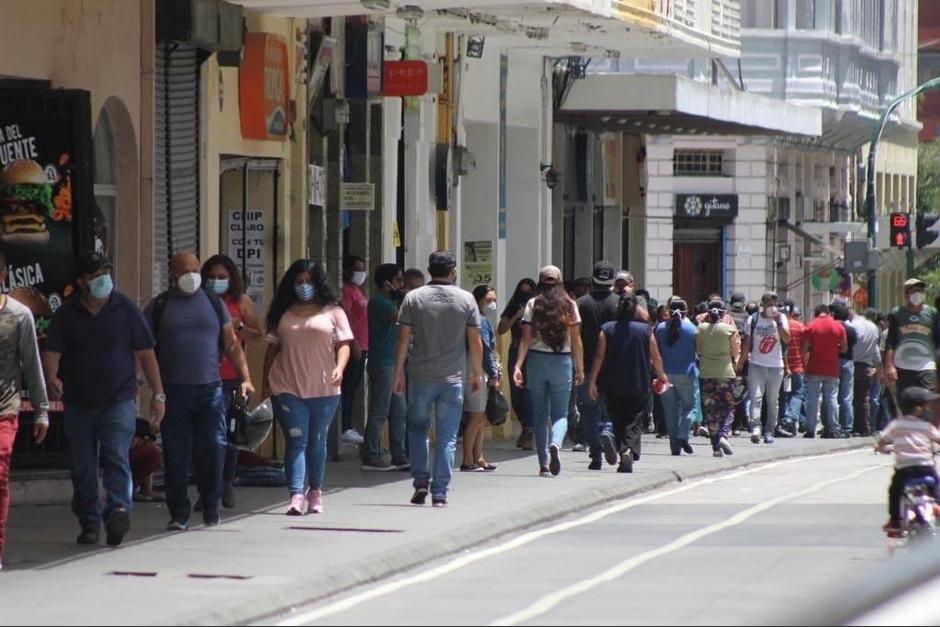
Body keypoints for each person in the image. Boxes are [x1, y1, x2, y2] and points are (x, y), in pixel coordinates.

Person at [44, 254, 165, 547]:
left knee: (116, 457)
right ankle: (89, 521)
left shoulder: (125, 309)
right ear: (82, 280)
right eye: (96, 274)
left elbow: (146, 352)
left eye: (107, 272)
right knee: (83, 466)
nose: (103, 279)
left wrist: (158, 394)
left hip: (118, 400)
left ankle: (118, 511)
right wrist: (52, 377)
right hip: (78, 403)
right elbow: (52, 353)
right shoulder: (67, 314)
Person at [145, 252, 255, 531]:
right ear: (172, 273)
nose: (193, 276)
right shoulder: (159, 306)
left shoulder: (213, 302)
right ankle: (179, 512)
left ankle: (210, 505)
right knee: (176, 453)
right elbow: (143, 349)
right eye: (186, 271)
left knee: (214, 450)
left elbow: (231, 344)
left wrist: (245, 378)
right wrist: (152, 388)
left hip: (211, 390)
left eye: (196, 270)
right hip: (174, 391)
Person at [262, 260, 352, 515]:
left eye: (309, 281)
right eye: (298, 281)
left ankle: (315, 492)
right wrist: (264, 384)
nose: (304, 286)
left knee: (317, 442)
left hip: (324, 388)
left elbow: (344, 344)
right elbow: (272, 350)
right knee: (296, 441)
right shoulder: (282, 313)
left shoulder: (333, 312)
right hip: (286, 386)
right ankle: (295, 495)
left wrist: (339, 368)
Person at [394, 251, 483, 507]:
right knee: (446, 437)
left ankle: (421, 481)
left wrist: (398, 371)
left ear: (430, 269)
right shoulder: (466, 299)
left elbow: (403, 339)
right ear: (453, 270)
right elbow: (475, 342)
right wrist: (476, 373)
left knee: (418, 429)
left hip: (420, 376)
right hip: (452, 379)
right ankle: (440, 491)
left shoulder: (413, 298)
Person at [0, 248, 49, 570]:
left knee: (0, 473)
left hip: (4, 408)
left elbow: (32, 364)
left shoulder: (19, 315)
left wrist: (42, 408)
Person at [201, 255, 263, 508]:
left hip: (232, 378)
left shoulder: (241, 302)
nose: (217, 282)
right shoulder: (200, 301)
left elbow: (258, 334)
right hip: (204, 376)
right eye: (212, 277)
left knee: (230, 435)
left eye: (222, 277)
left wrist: (238, 328)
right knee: (206, 437)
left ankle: (226, 482)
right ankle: (208, 488)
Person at [513, 265, 584, 478]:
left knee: (540, 414)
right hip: (561, 362)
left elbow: (525, 339)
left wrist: (518, 366)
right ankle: (556, 443)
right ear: (560, 282)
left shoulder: (532, 304)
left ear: (540, 282)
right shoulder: (570, 304)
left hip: (536, 360)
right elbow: (576, 340)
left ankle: (543, 463)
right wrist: (580, 367)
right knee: (560, 413)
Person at [589, 294, 666, 472]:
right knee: (634, 419)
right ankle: (627, 450)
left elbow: (599, 356)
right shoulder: (646, 330)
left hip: (612, 381)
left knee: (617, 417)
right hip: (638, 381)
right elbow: (655, 356)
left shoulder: (607, 329)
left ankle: (620, 446)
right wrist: (662, 375)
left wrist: (592, 381)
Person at [362, 264, 409, 472]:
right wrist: (403, 297)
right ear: (386, 283)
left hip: (394, 362)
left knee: (399, 411)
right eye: (398, 280)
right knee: (380, 410)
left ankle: (399, 454)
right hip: (382, 362)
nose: (401, 284)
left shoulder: (390, 302)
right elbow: (401, 318)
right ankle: (371, 453)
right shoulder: (379, 303)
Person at [876, 387, 940, 536]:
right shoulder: (926, 426)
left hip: (904, 468)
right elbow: (937, 439)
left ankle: (895, 520)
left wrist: (880, 447)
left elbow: (883, 439)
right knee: (936, 482)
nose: (929, 408)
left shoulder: (897, 424)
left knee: (895, 490)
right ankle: (937, 503)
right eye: (926, 405)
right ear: (919, 409)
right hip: (925, 465)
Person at [576, 261, 620, 470]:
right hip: (613, 365)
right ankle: (608, 432)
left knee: (589, 410)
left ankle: (595, 454)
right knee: (611, 408)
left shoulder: (581, 303)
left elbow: (574, 335)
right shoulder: (619, 303)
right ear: (612, 281)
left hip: (585, 364)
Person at [741, 292, 790, 445]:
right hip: (756, 364)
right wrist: (741, 362)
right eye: (769, 304)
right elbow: (747, 343)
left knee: (772, 400)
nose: (772, 307)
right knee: (756, 398)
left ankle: (769, 430)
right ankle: (756, 428)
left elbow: (787, 338)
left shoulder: (781, 318)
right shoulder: (753, 319)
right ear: (763, 304)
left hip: (776, 366)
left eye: (775, 304)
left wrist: (778, 322)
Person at [461, 285, 501, 472]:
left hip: (472, 369)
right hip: (477, 371)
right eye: (488, 300)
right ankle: (468, 458)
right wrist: (493, 373)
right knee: (477, 416)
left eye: (494, 300)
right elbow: (485, 349)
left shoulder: (476, 319)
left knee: (480, 416)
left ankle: (479, 457)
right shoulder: (480, 321)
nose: (492, 304)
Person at [697, 299, 742, 458]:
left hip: (706, 373)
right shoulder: (729, 329)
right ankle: (723, 434)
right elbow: (736, 352)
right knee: (728, 406)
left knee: (711, 410)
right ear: (723, 314)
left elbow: (699, 350)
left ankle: (715, 445)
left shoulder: (701, 328)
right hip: (725, 373)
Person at [498, 278, 537, 450]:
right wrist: (516, 316)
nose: (525, 295)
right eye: (523, 291)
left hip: (533, 352)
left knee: (528, 391)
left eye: (529, 291)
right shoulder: (514, 306)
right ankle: (525, 427)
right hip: (515, 350)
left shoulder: (538, 307)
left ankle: (529, 430)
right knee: (516, 391)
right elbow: (501, 328)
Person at [655, 298, 698, 456]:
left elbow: (656, 351)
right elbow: (697, 351)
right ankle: (683, 434)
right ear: (686, 312)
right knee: (690, 406)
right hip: (686, 373)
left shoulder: (659, 328)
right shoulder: (692, 329)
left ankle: (674, 446)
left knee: (670, 412)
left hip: (665, 375)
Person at [884, 278, 940, 398]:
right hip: (903, 367)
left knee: (929, 402)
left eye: (920, 290)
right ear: (906, 294)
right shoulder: (897, 313)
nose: (917, 294)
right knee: (906, 402)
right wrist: (889, 365)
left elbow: (937, 341)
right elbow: (891, 341)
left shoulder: (932, 313)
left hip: (927, 366)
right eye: (914, 291)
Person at [802, 304, 848, 439]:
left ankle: (810, 429)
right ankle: (833, 428)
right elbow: (844, 349)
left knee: (812, 399)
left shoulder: (811, 326)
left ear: (816, 313)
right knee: (832, 398)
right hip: (831, 368)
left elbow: (804, 349)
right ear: (829, 313)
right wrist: (834, 350)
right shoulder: (838, 327)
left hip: (814, 367)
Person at [340, 255, 368, 446]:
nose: (361, 273)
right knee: (347, 388)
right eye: (357, 269)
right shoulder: (346, 291)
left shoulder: (357, 290)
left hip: (364, 344)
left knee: (354, 387)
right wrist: (353, 342)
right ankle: (345, 427)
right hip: (354, 345)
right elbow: (346, 315)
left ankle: (349, 426)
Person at [848, 306, 882, 437]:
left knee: (848, 397)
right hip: (866, 366)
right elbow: (875, 350)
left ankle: (850, 425)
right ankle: (864, 427)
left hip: (852, 363)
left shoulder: (853, 324)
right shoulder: (874, 328)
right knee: (863, 399)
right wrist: (878, 367)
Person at [782, 306, 807, 434]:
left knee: (784, 395)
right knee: (797, 394)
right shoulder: (800, 327)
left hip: (782, 365)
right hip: (797, 365)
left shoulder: (780, 326)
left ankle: (786, 419)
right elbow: (805, 348)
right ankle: (790, 418)